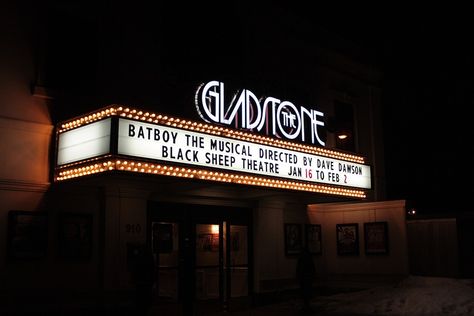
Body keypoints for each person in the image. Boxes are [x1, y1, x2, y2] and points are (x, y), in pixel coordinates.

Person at [296, 247, 316, 313]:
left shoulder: (301, 258)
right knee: (307, 292)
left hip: (303, 278)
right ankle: (307, 305)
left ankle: (306, 305)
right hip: (307, 278)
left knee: (304, 293)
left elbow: (299, 269)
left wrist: (298, 277)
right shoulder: (309, 258)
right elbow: (312, 269)